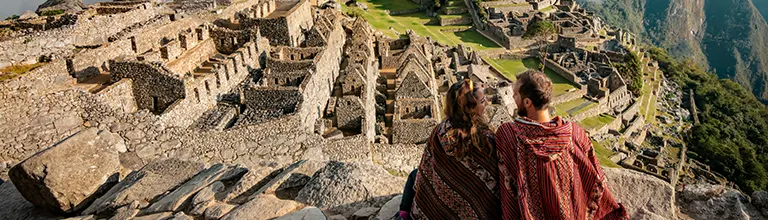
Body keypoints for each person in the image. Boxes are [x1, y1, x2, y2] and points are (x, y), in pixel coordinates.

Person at [496, 70, 628, 220]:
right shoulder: (576, 134)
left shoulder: (509, 135)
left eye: (515, 94)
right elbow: (596, 178)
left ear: (527, 102)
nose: (512, 97)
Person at [396, 79, 502, 220]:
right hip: (470, 210)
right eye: (482, 101)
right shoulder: (485, 141)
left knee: (415, 175)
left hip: (434, 208)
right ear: (471, 108)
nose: (487, 103)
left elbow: (427, 167)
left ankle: (404, 214)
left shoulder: (440, 131)